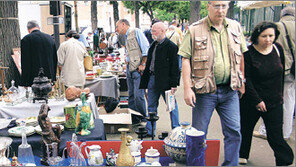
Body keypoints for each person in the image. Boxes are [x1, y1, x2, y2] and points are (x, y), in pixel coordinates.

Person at [178, 1, 247, 166]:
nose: (220, 10)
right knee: (198, 134)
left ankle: (231, 164)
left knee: (234, 132)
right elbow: (185, 59)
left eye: (224, 6)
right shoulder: (195, 29)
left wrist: (242, 80)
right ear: (208, 6)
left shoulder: (235, 27)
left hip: (230, 90)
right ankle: (196, 164)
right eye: (217, 6)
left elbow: (242, 56)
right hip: (205, 91)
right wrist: (187, 89)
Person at [239, 21, 294, 166]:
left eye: (271, 35)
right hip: (252, 100)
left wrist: (280, 96)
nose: (268, 39)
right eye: (264, 36)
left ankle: (285, 160)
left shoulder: (278, 49)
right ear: (257, 36)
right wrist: (257, 100)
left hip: (274, 100)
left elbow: (280, 74)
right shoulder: (248, 53)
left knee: (275, 134)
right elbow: (246, 79)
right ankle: (242, 153)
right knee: (245, 128)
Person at [253, 7, 295, 141]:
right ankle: (286, 133)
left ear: (282, 15)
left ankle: (265, 130)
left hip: (282, 69)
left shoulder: (278, 27)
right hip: (294, 69)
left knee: (271, 99)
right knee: (290, 100)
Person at [139, 22, 180, 136]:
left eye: (154, 31)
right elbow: (149, 64)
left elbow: (175, 67)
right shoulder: (153, 45)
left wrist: (174, 84)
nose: (152, 33)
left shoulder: (172, 47)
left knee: (172, 106)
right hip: (152, 79)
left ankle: (176, 129)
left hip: (166, 82)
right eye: (152, 31)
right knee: (151, 106)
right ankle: (150, 130)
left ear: (162, 31)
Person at [115, 19, 149, 122]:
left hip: (137, 69)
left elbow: (146, 49)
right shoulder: (126, 36)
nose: (116, 29)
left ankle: (142, 117)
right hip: (130, 68)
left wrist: (143, 64)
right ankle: (134, 117)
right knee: (131, 95)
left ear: (123, 24)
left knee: (138, 95)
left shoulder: (136, 32)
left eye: (117, 26)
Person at [20, 20, 57, 87]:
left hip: (34, 78)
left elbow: (25, 62)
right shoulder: (50, 38)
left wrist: (25, 81)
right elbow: (54, 59)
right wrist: (53, 78)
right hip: (49, 76)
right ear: (39, 27)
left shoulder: (26, 39)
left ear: (28, 30)